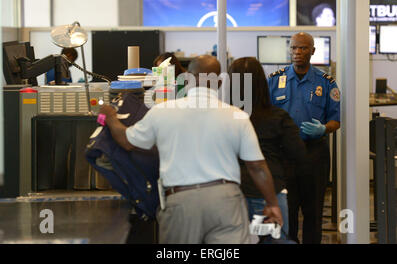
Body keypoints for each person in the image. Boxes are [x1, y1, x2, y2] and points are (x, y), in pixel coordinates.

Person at [100, 55, 283, 244]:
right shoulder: (237, 116)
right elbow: (257, 166)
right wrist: (272, 204)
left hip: (181, 202)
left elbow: (127, 141)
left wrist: (111, 116)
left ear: (186, 79)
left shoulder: (162, 111)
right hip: (226, 200)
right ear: (219, 82)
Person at [267, 32, 341, 244]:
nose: (297, 53)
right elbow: (265, 116)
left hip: (314, 155)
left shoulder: (326, 83)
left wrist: (323, 129)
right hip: (284, 155)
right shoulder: (274, 81)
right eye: (294, 48)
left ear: (313, 51)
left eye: (303, 48)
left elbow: (336, 120)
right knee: (287, 213)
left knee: (314, 213)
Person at [229, 57, 306, 242]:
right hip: (269, 194)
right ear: (263, 83)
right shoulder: (277, 117)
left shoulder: (224, 116)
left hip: (231, 195)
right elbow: (299, 153)